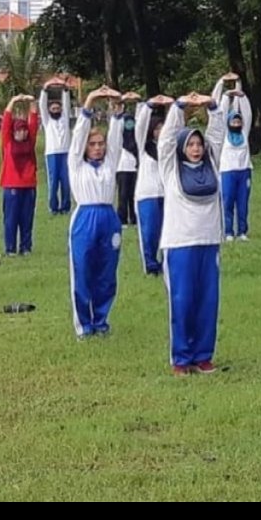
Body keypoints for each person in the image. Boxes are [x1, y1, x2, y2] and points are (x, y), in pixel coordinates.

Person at [158, 91, 225, 376]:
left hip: (209, 242)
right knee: (183, 301)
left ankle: (203, 355)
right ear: (183, 147)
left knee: (208, 300)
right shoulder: (170, 169)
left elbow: (219, 134)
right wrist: (179, 107)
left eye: (199, 144)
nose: (196, 149)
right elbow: (166, 140)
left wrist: (212, 106)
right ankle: (182, 358)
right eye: (191, 144)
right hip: (180, 244)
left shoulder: (213, 165)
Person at [67, 85, 123, 337]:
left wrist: (117, 109)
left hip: (108, 218)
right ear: (85, 147)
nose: (99, 148)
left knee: (106, 272)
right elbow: (79, 134)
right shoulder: (76, 164)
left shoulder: (110, 162)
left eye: (101, 144)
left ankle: (101, 320)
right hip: (85, 218)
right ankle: (84, 324)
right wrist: (90, 101)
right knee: (82, 270)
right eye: (93, 144)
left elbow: (116, 139)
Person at [134, 94, 173, 275]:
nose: (160, 130)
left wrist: (176, 107)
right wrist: (149, 105)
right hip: (147, 195)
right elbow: (140, 126)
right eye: (156, 128)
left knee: (167, 230)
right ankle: (150, 265)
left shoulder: (168, 148)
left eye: (162, 127)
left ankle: (166, 262)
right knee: (149, 233)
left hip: (167, 195)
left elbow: (177, 127)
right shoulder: (144, 147)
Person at [212, 73, 253, 242]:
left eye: (238, 121)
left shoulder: (244, 132)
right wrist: (226, 93)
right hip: (227, 172)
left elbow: (247, 112)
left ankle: (242, 231)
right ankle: (228, 232)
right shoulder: (224, 134)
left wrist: (240, 93)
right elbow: (220, 113)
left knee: (242, 203)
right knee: (227, 202)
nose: (236, 124)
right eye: (233, 122)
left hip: (244, 172)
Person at [0, 94, 39, 255]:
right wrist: (13, 101)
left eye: (24, 130)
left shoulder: (31, 142)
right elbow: (6, 123)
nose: (22, 133)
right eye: (18, 130)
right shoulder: (7, 143)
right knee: (11, 219)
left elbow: (34, 121)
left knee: (27, 219)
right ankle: (10, 248)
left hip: (29, 186)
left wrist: (31, 102)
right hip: (11, 186)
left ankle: (26, 247)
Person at [40, 77, 73, 215]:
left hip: (65, 153)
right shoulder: (47, 121)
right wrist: (45, 89)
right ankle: (53, 207)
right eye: (53, 108)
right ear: (49, 110)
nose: (56, 110)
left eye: (57, 108)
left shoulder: (64, 119)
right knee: (53, 182)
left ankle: (65, 207)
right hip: (52, 154)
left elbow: (67, 105)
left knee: (65, 181)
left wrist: (64, 89)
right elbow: (42, 105)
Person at [115, 92, 142, 226]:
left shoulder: (137, 134)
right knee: (123, 195)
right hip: (122, 167)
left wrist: (138, 100)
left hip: (135, 167)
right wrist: (121, 101)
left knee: (134, 195)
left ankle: (134, 218)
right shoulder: (119, 133)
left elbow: (141, 117)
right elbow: (116, 120)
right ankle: (122, 219)